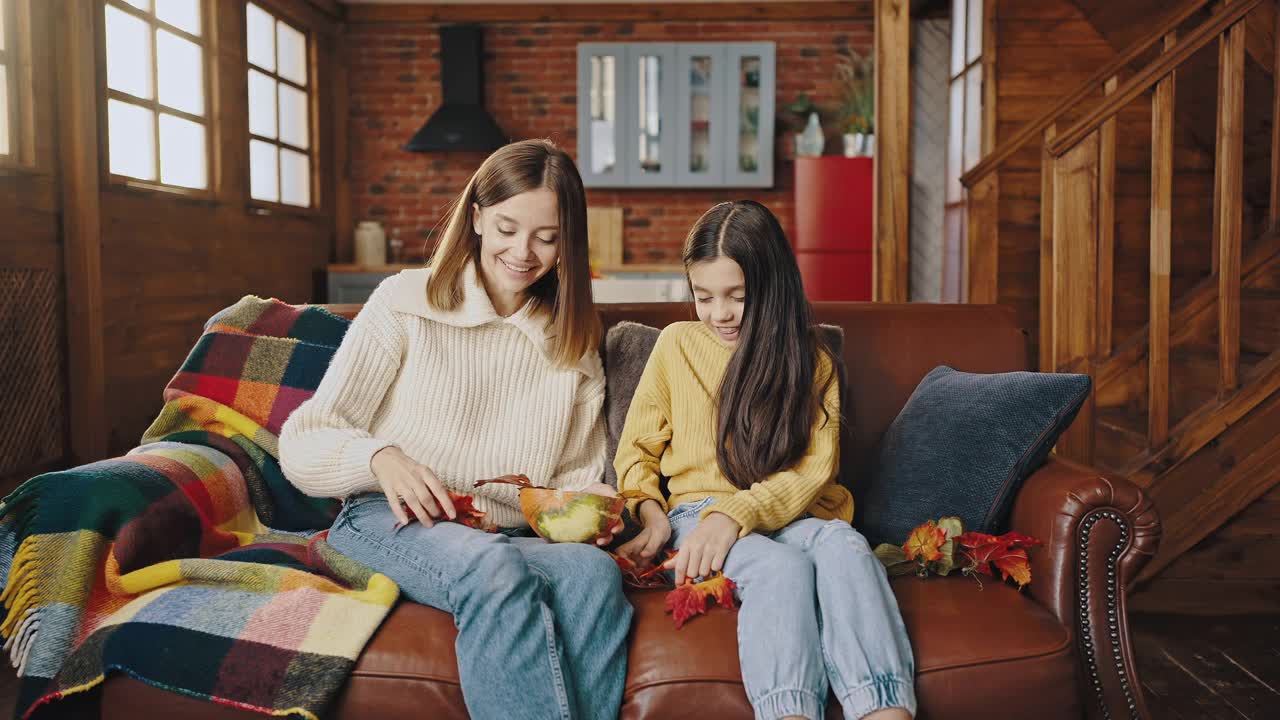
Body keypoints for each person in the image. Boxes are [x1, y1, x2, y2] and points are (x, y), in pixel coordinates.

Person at [280, 139, 630, 720]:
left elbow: (577, 476)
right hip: (387, 517)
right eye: (507, 228)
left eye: (547, 237)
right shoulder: (404, 301)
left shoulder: (574, 342)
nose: (523, 252)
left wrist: (592, 502)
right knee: (492, 569)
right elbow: (307, 437)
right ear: (476, 218)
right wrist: (379, 459)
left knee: (592, 574)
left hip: (507, 534)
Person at [614, 200, 916, 720]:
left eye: (737, 296)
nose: (719, 313)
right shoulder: (676, 345)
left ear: (772, 288)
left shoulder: (812, 360)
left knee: (845, 545)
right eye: (703, 296)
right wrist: (649, 510)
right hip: (697, 517)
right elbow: (636, 450)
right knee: (780, 568)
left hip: (787, 514)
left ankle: (884, 711)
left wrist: (740, 515)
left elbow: (814, 470)